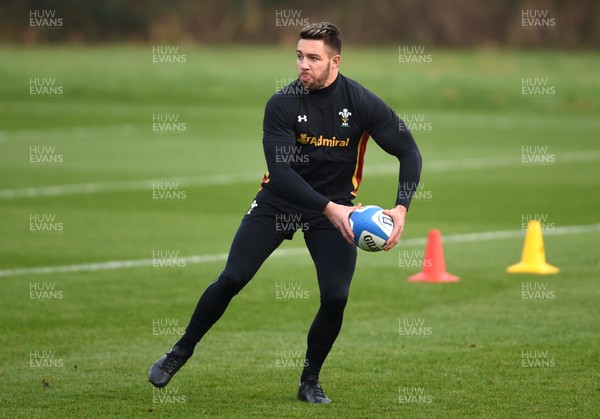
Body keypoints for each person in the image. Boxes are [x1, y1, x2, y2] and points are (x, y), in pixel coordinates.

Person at [149, 21, 422, 404]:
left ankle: (310, 380)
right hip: (280, 201)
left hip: (336, 208)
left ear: (335, 61)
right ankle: (180, 351)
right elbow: (281, 172)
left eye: (313, 58)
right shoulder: (282, 104)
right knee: (233, 277)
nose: (303, 65)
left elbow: (409, 151)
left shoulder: (361, 102)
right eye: (299, 56)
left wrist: (401, 208)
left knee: (336, 296)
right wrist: (332, 210)